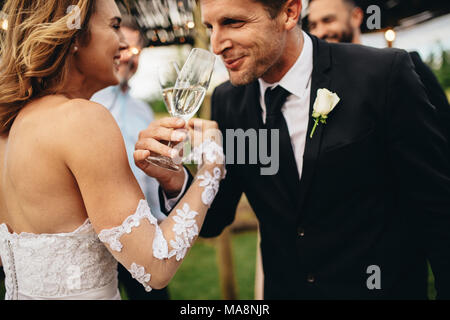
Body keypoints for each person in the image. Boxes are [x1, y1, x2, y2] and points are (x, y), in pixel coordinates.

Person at [137, 0, 450, 299]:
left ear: (289, 12)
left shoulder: (382, 74)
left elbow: (437, 208)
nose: (216, 45)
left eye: (233, 22)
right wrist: (175, 179)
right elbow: (216, 215)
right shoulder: (228, 102)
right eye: (210, 26)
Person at [0, 0, 224, 300]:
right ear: (75, 35)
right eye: (115, 26)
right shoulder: (83, 118)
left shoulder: (12, 123)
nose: (124, 44)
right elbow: (156, 265)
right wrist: (212, 167)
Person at [91, 16, 170, 300]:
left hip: (141, 235)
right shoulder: (85, 104)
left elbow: (150, 173)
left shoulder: (143, 111)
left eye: (136, 51)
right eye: (122, 48)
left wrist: (160, 221)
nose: (128, 57)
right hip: (94, 236)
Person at [307, 0, 450, 149]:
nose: (319, 32)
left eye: (328, 20)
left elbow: (444, 126)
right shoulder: (320, 88)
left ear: (356, 17)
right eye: (313, 26)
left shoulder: (407, 65)